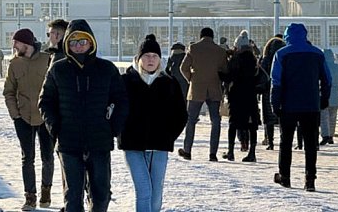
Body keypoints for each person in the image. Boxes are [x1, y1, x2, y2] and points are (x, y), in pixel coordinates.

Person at [39, 19, 129, 212]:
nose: (78, 46)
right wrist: (55, 128)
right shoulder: (58, 70)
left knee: (101, 194)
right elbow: (45, 102)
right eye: (73, 42)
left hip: (99, 142)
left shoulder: (107, 69)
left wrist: (113, 127)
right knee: (72, 198)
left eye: (82, 42)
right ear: (67, 44)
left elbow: (121, 100)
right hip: (68, 143)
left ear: (91, 43)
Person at [119, 35, 187, 212]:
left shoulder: (169, 82)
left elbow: (181, 114)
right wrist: (122, 132)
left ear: (160, 59)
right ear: (138, 58)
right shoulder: (126, 81)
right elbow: (115, 110)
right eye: (146, 55)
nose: (150, 60)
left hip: (160, 146)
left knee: (156, 193)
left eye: (154, 56)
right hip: (133, 145)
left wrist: (168, 136)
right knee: (144, 191)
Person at [271, 23, 331, 192]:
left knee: (286, 141)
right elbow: (327, 79)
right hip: (311, 105)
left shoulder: (281, 54)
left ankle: (285, 176)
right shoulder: (317, 53)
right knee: (311, 143)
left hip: (288, 105)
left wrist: (275, 104)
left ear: (287, 36)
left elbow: (276, 82)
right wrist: (323, 99)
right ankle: (310, 179)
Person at [3, 28, 54, 211]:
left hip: (45, 117)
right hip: (23, 117)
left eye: (16, 42)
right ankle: (30, 196)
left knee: (47, 157)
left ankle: (46, 191)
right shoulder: (14, 64)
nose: (13, 46)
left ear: (26, 43)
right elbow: (8, 91)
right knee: (27, 159)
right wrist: (15, 114)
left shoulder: (47, 59)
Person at [177, 27, 227, 162]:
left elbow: (183, 68)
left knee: (191, 120)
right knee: (215, 121)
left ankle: (187, 150)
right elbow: (225, 70)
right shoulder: (220, 51)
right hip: (214, 88)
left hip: (196, 88)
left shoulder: (193, 48)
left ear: (201, 36)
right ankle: (212, 153)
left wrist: (191, 79)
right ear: (212, 36)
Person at [220, 30, 260, 162]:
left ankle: (231, 151)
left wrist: (220, 74)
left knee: (233, 123)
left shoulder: (236, 60)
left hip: (236, 95)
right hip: (251, 95)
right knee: (251, 125)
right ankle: (252, 152)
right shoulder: (254, 60)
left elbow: (230, 76)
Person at [259, 36, 286, 150]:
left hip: (267, 91)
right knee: (283, 118)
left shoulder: (265, 60)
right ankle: (283, 140)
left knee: (268, 118)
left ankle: (270, 141)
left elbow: (260, 75)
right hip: (283, 90)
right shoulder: (285, 58)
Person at [320, 49, 338, 146]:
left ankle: (325, 135)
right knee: (333, 117)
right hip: (336, 94)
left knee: (324, 117)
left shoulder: (322, 66)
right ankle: (331, 136)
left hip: (325, 94)